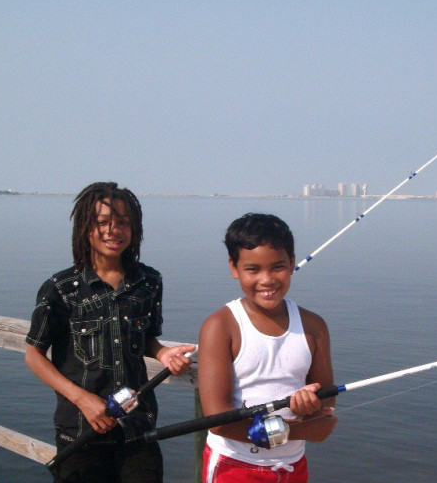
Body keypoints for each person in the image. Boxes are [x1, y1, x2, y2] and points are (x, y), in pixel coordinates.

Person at [25, 182, 195, 483]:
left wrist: (162, 353)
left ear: (135, 229)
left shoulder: (148, 282)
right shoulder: (61, 289)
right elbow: (34, 355)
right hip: (81, 431)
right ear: (84, 228)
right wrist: (83, 399)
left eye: (122, 223)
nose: (112, 230)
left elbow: (145, 339)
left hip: (137, 429)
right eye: (102, 222)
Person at [197, 213, 337, 483]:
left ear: (293, 263)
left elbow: (326, 400)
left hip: (292, 465)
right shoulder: (220, 326)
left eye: (277, 267)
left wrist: (312, 406)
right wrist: (294, 430)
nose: (267, 280)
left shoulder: (314, 326)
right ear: (234, 267)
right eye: (253, 269)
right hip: (234, 464)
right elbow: (217, 419)